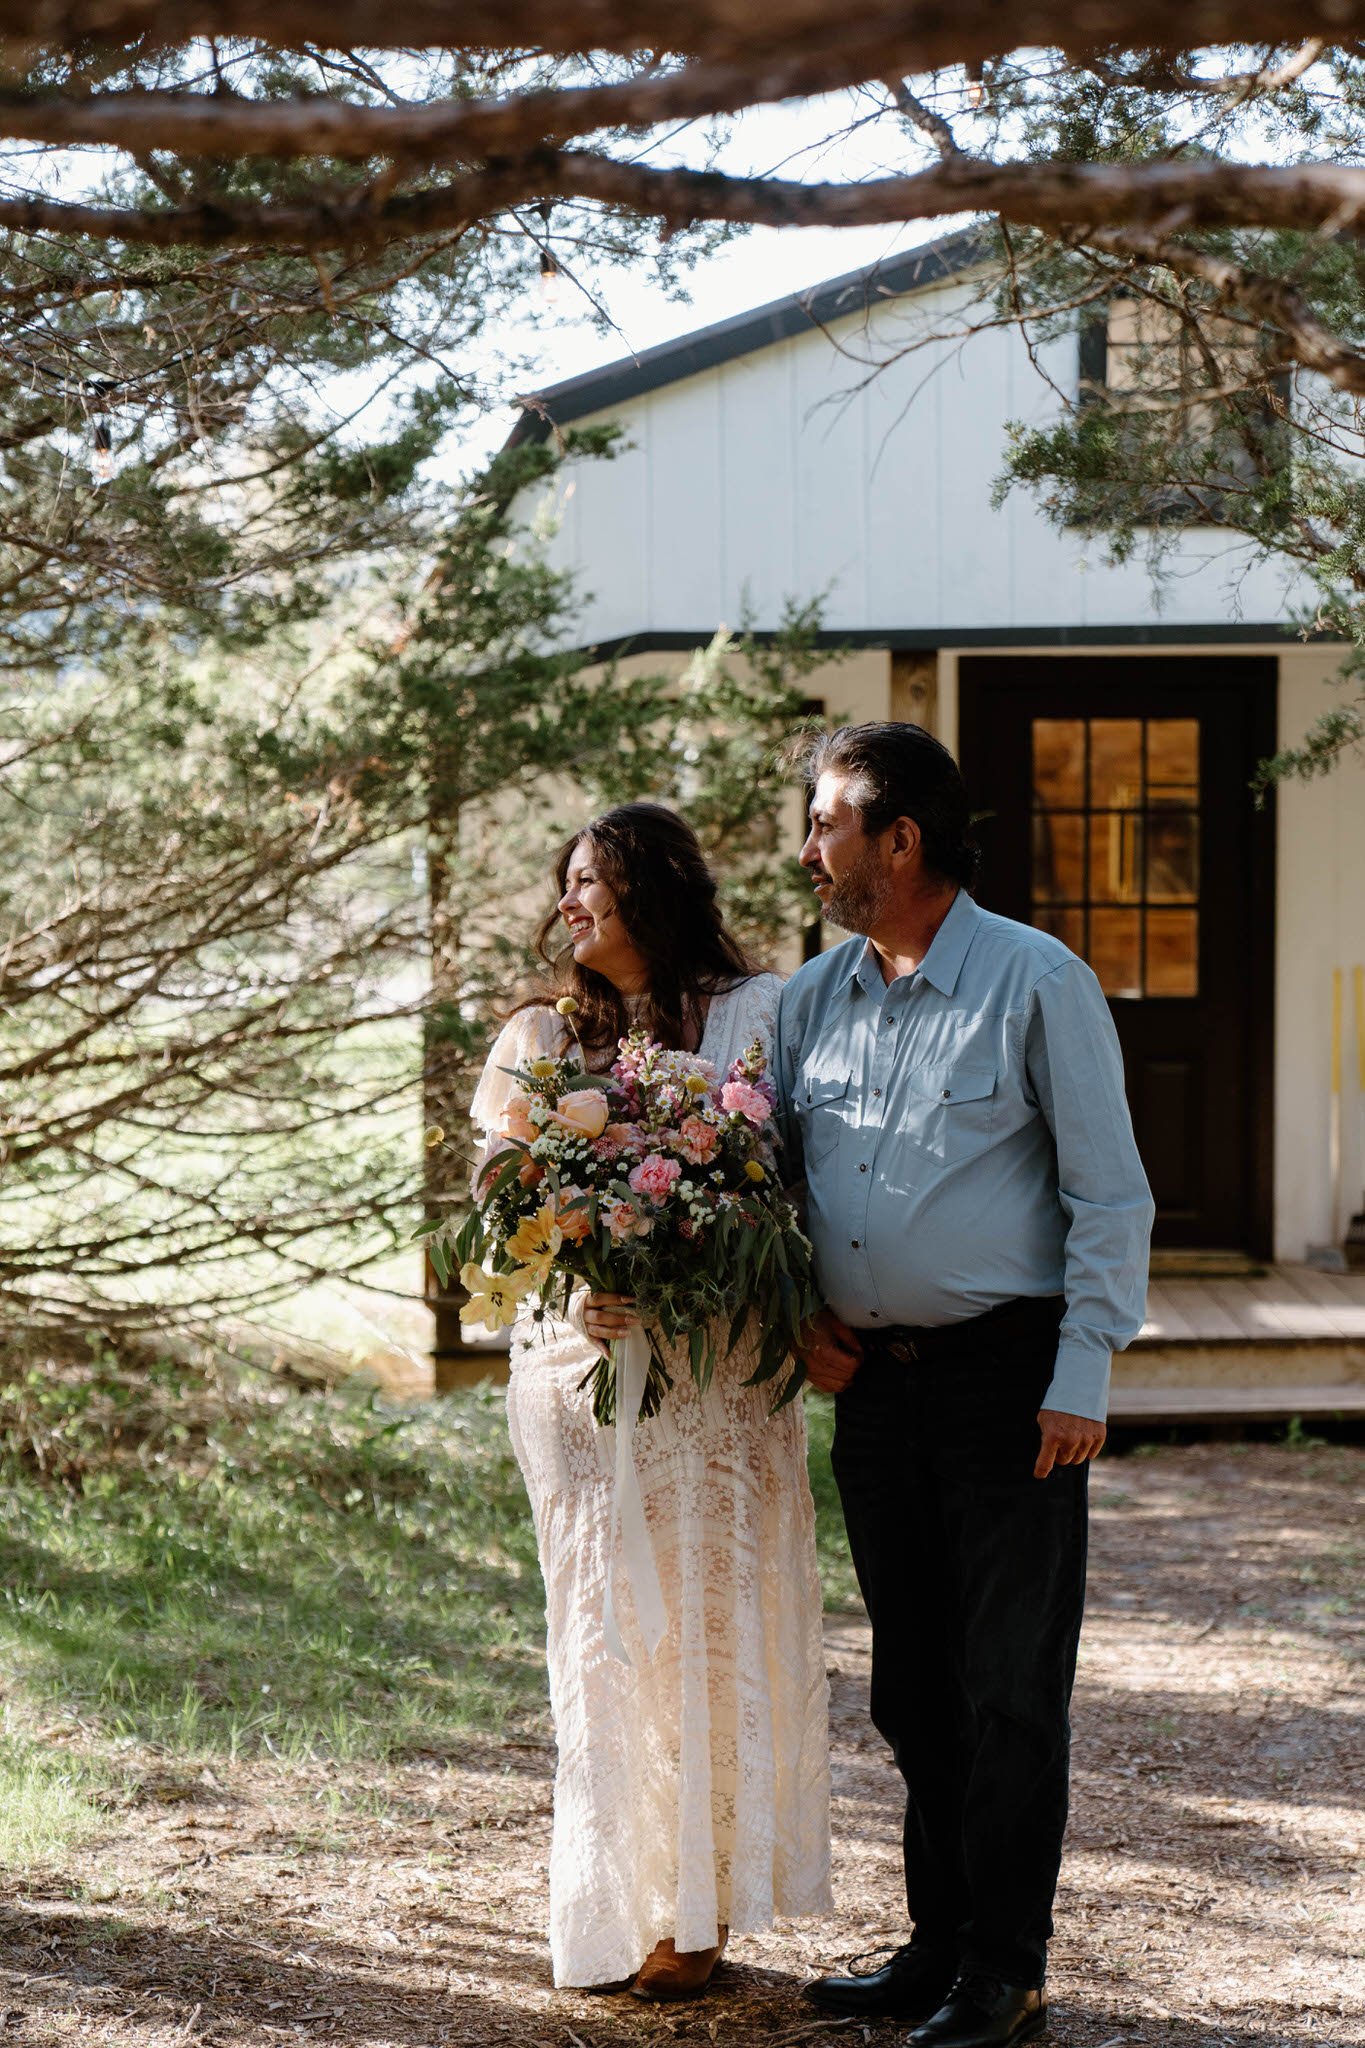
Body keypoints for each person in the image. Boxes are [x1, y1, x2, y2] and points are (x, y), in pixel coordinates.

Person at [777, 724, 1153, 2048]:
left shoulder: (1036, 982)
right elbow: (774, 1189)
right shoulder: (814, 998)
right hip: (876, 1391)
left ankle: (1006, 1965)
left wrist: (1083, 1369)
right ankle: (936, 1947)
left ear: (900, 839)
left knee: (1006, 1688)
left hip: (1010, 1384)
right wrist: (800, 1316)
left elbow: (1109, 1191)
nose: (806, 847)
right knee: (910, 1690)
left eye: (824, 822)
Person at [468, 802, 832, 2002]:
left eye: (596, 882)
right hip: (581, 1381)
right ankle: (609, 1903)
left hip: (716, 1375)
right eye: (565, 883)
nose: (572, 903)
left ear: (657, 889)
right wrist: (573, 1292)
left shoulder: (756, 1015)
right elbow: (498, 1225)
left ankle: (700, 1909)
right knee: (602, 1627)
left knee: (709, 1628)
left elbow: (793, 1182)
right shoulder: (537, 1034)